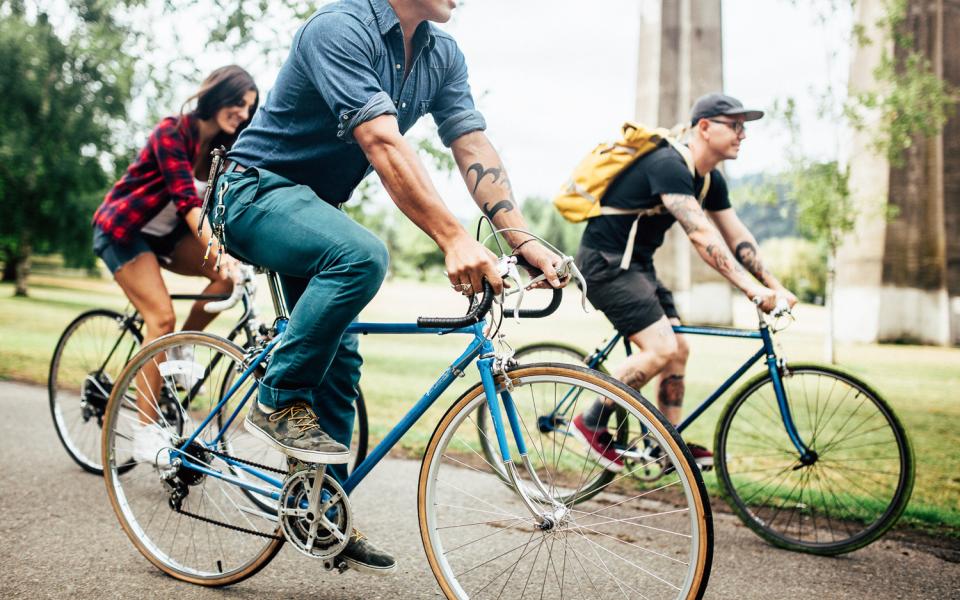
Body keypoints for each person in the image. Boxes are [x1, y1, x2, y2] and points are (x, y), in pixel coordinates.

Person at [217, 0, 564, 574]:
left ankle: (316, 508)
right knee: (361, 256)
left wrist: (520, 237)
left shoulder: (441, 55)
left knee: (341, 360)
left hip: (310, 212)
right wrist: (453, 238)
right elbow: (381, 142)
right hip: (251, 193)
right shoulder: (338, 28)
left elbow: (471, 144)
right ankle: (277, 396)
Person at [570, 92, 799, 473]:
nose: (743, 134)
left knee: (678, 351)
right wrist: (752, 291)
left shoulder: (709, 181)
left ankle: (665, 444)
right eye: (735, 126)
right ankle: (590, 420)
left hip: (638, 267)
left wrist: (774, 284)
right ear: (705, 127)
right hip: (606, 265)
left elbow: (736, 234)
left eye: (745, 127)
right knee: (660, 349)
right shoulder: (669, 164)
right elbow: (702, 236)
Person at [91, 65, 259, 463]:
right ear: (218, 95)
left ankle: (180, 348)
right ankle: (146, 434)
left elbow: (221, 208)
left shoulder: (223, 151)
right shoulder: (173, 131)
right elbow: (187, 201)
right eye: (238, 102)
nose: (243, 113)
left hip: (167, 239)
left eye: (249, 109)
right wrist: (219, 251)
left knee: (224, 280)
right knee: (160, 318)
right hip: (123, 232)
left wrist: (238, 255)